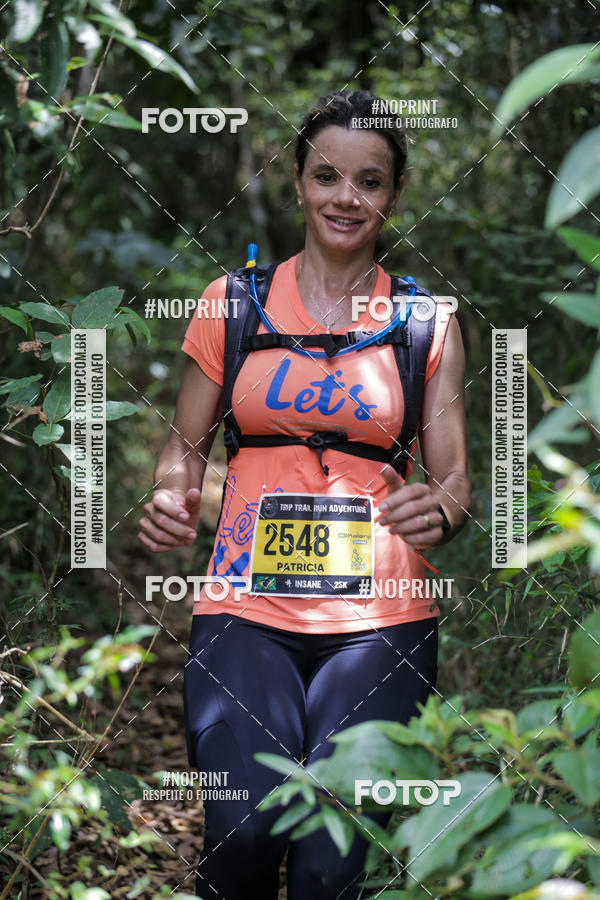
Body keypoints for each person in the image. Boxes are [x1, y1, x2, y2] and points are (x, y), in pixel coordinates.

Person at [138, 89, 470, 900]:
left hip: (382, 624)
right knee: (244, 829)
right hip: (245, 610)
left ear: (394, 194)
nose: (345, 197)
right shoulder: (232, 303)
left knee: (332, 858)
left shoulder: (426, 320)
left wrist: (441, 509)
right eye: (327, 176)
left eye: (369, 181)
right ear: (298, 182)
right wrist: (173, 497)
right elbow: (183, 449)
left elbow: (454, 478)